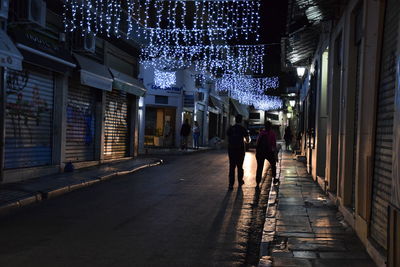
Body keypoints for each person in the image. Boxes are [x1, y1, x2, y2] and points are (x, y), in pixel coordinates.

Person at [226, 115, 250, 190]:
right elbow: (247, 140)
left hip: (231, 150)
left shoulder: (231, 128)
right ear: (241, 120)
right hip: (240, 150)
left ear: (235, 120)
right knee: (240, 167)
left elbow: (227, 138)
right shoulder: (243, 129)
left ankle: (231, 184)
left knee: (232, 167)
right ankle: (240, 182)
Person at [256, 121, 277, 186]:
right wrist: (275, 154)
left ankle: (257, 182)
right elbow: (273, 145)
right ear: (270, 126)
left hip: (261, 152)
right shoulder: (272, 133)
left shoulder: (261, 133)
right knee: (273, 164)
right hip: (269, 152)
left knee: (259, 167)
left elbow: (257, 143)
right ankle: (274, 178)